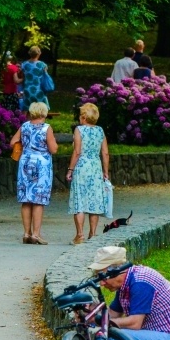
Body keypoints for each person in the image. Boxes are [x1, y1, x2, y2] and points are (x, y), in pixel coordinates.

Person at [89, 246, 170, 340]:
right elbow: (112, 314)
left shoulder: (140, 282)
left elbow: (135, 323)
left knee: (117, 339)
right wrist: (89, 314)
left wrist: (101, 322)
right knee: (112, 336)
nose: (101, 283)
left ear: (117, 271)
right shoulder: (126, 284)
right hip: (160, 337)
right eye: (98, 277)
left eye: (103, 276)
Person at [10, 102, 58, 244]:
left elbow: (13, 142)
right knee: (38, 199)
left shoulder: (24, 126)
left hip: (25, 163)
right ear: (44, 113)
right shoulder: (46, 128)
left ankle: (26, 233)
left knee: (26, 199)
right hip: (41, 165)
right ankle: (36, 235)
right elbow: (53, 149)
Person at [67, 103, 109, 244]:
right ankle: (93, 233)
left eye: (80, 115)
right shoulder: (100, 131)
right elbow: (105, 153)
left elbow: (77, 151)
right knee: (94, 201)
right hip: (95, 167)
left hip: (82, 167)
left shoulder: (79, 130)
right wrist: (105, 171)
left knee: (79, 200)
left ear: (84, 117)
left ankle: (80, 235)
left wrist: (70, 169)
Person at [20, 46, 50, 111]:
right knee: (42, 110)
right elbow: (46, 77)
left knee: (28, 110)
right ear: (39, 53)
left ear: (29, 53)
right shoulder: (43, 65)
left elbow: (23, 78)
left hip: (27, 90)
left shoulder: (24, 64)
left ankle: (28, 121)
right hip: (39, 90)